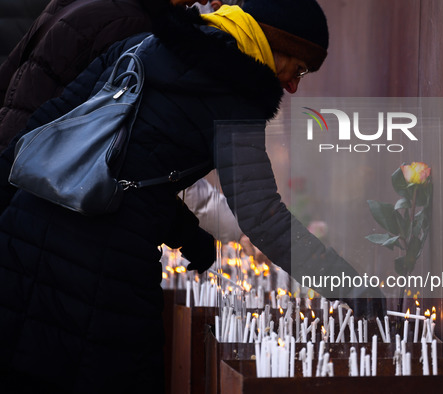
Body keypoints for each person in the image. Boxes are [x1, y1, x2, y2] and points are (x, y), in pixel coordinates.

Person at [0, 1, 374, 392]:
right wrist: (351, 287)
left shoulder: (143, 45)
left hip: (23, 239)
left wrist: (187, 234)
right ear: (273, 43)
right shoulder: (238, 99)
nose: (294, 85)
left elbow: (54, 126)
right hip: (105, 272)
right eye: (298, 68)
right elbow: (263, 216)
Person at [0, 0, 202, 153]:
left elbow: (11, 68)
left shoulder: (78, 4)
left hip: (16, 139)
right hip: (38, 155)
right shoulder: (135, 24)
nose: (203, 3)